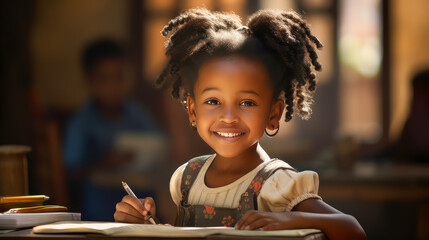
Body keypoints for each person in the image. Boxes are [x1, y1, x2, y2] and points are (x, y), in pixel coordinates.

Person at [114, 8, 366, 240]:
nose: (228, 116)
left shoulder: (277, 183)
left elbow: (353, 230)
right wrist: (146, 222)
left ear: (273, 113)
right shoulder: (187, 179)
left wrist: (287, 218)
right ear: (192, 110)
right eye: (213, 100)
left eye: (247, 103)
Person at [64, 39, 159, 220]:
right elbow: (70, 171)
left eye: (120, 76)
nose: (114, 86)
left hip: (144, 211)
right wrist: (106, 162)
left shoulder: (136, 113)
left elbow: (158, 143)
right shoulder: (82, 123)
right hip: (99, 213)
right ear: (89, 80)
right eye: (105, 79)